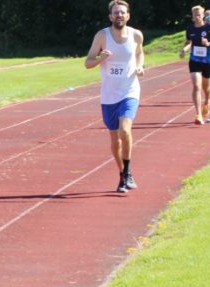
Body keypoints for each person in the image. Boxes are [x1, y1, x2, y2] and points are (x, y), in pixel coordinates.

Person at [84, 0, 144, 193]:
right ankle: (122, 174)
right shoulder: (102, 36)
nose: (119, 15)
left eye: (122, 12)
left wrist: (140, 65)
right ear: (110, 17)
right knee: (114, 137)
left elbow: (140, 53)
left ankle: (127, 172)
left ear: (128, 16)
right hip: (109, 95)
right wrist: (101, 58)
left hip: (129, 90)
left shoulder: (136, 35)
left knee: (124, 130)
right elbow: (88, 63)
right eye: (116, 13)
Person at [179, 5, 210, 125]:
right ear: (192, 17)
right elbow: (189, 42)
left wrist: (209, 43)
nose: (197, 17)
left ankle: (207, 102)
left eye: (199, 14)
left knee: (207, 90)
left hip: (208, 62)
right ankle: (198, 114)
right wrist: (184, 50)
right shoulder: (190, 28)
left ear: (203, 16)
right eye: (195, 15)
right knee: (196, 86)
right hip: (194, 61)